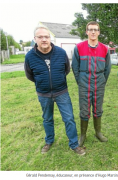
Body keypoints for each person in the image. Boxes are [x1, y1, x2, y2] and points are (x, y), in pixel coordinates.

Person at [24, 25, 85, 155]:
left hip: (61, 92)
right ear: (35, 39)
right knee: (47, 119)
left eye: (46, 36)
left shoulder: (61, 52)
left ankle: (74, 144)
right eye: (40, 37)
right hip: (43, 94)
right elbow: (30, 75)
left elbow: (66, 69)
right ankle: (49, 141)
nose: (44, 39)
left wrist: (57, 80)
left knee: (69, 118)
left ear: (50, 38)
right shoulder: (29, 56)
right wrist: (42, 82)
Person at [72, 21, 111, 147]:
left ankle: (98, 132)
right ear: (86, 32)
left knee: (98, 108)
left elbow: (108, 68)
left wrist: (102, 81)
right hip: (84, 83)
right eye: (90, 29)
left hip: (99, 83)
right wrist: (80, 81)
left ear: (99, 32)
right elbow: (75, 67)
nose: (93, 32)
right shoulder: (78, 47)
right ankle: (83, 135)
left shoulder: (105, 49)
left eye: (95, 29)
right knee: (84, 110)